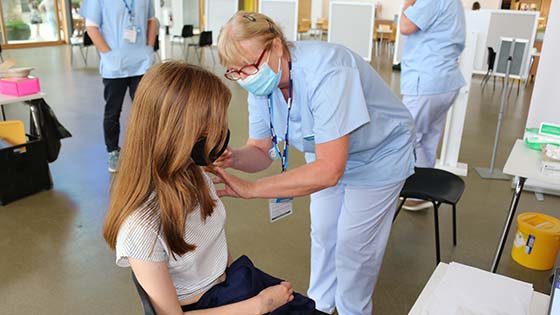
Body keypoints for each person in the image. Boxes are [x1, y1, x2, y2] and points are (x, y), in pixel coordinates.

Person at [213, 12, 415, 315]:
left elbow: (329, 170)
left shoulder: (329, 71)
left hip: (378, 156)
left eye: (249, 67)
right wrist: (234, 158)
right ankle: (319, 307)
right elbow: (259, 149)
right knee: (322, 233)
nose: (245, 78)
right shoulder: (261, 84)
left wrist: (252, 190)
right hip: (323, 158)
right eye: (235, 72)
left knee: (353, 247)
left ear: (277, 46)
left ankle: (353, 310)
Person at [103, 62, 321, 315]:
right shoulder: (141, 229)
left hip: (232, 286)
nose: (221, 133)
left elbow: (215, 246)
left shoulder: (196, 175)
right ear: (177, 132)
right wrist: (260, 304)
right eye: (213, 125)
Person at [399, 0, 466, 210]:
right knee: (427, 138)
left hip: (427, 80)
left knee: (406, 136)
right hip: (445, 81)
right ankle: (420, 195)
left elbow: (405, 26)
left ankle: (404, 190)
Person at [81, 0, 157, 172]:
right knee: (113, 111)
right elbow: (91, 27)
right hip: (114, 65)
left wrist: (149, 48)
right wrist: (108, 55)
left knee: (145, 110)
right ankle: (113, 151)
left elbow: (151, 20)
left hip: (141, 62)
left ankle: (146, 151)